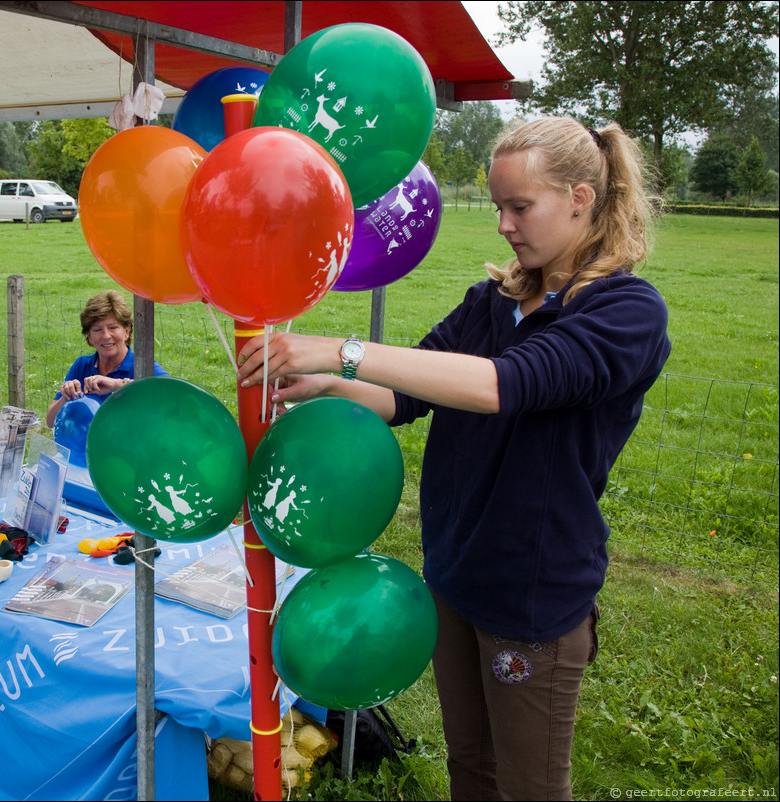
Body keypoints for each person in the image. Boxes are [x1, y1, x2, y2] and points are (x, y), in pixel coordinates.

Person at [236, 116, 670, 800]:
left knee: (529, 785)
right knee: (471, 768)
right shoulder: (494, 302)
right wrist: (323, 386)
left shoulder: (626, 313)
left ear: (581, 199)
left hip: (530, 595)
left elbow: (507, 386)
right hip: (455, 577)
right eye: (499, 206)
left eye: (519, 207)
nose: (503, 224)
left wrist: (340, 349)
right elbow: (406, 392)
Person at [45, 290, 168, 427]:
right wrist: (65, 397)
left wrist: (118, 385)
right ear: (89, 337)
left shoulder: (144, 367)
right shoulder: (82, 365)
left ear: (127, 332)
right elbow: (50, 421)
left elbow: (173, 396)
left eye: (113, 327)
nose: (106, 335)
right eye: (97, 330)